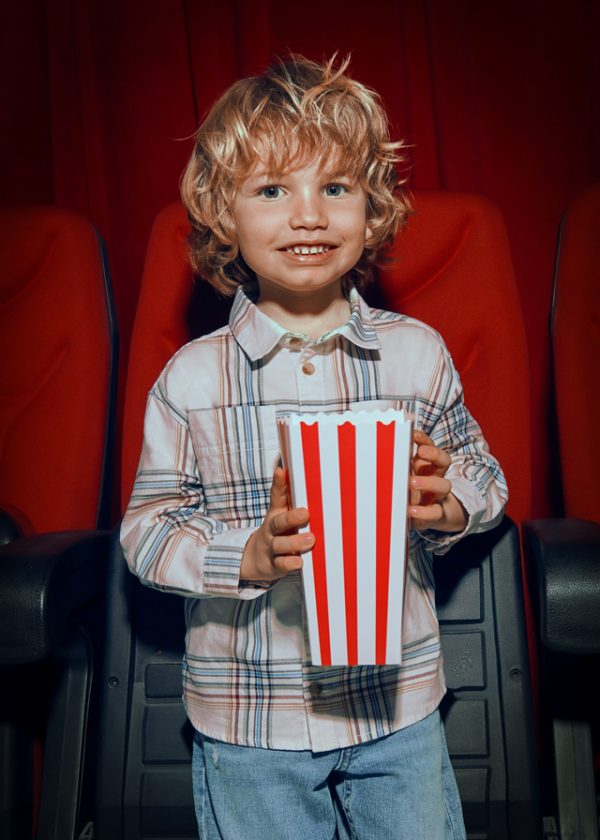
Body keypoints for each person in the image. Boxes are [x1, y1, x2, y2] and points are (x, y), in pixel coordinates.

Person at [121, 54, 507, 840]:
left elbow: (484, 475)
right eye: (272, 190)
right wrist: (248, 556)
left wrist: (446, 504)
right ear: (224, 214)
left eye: (335, 187)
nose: (308, 215)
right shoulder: (190, 378)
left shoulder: (418, 355)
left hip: (395, 705)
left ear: (372, 207)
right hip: (248, 717)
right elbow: (147, 530)